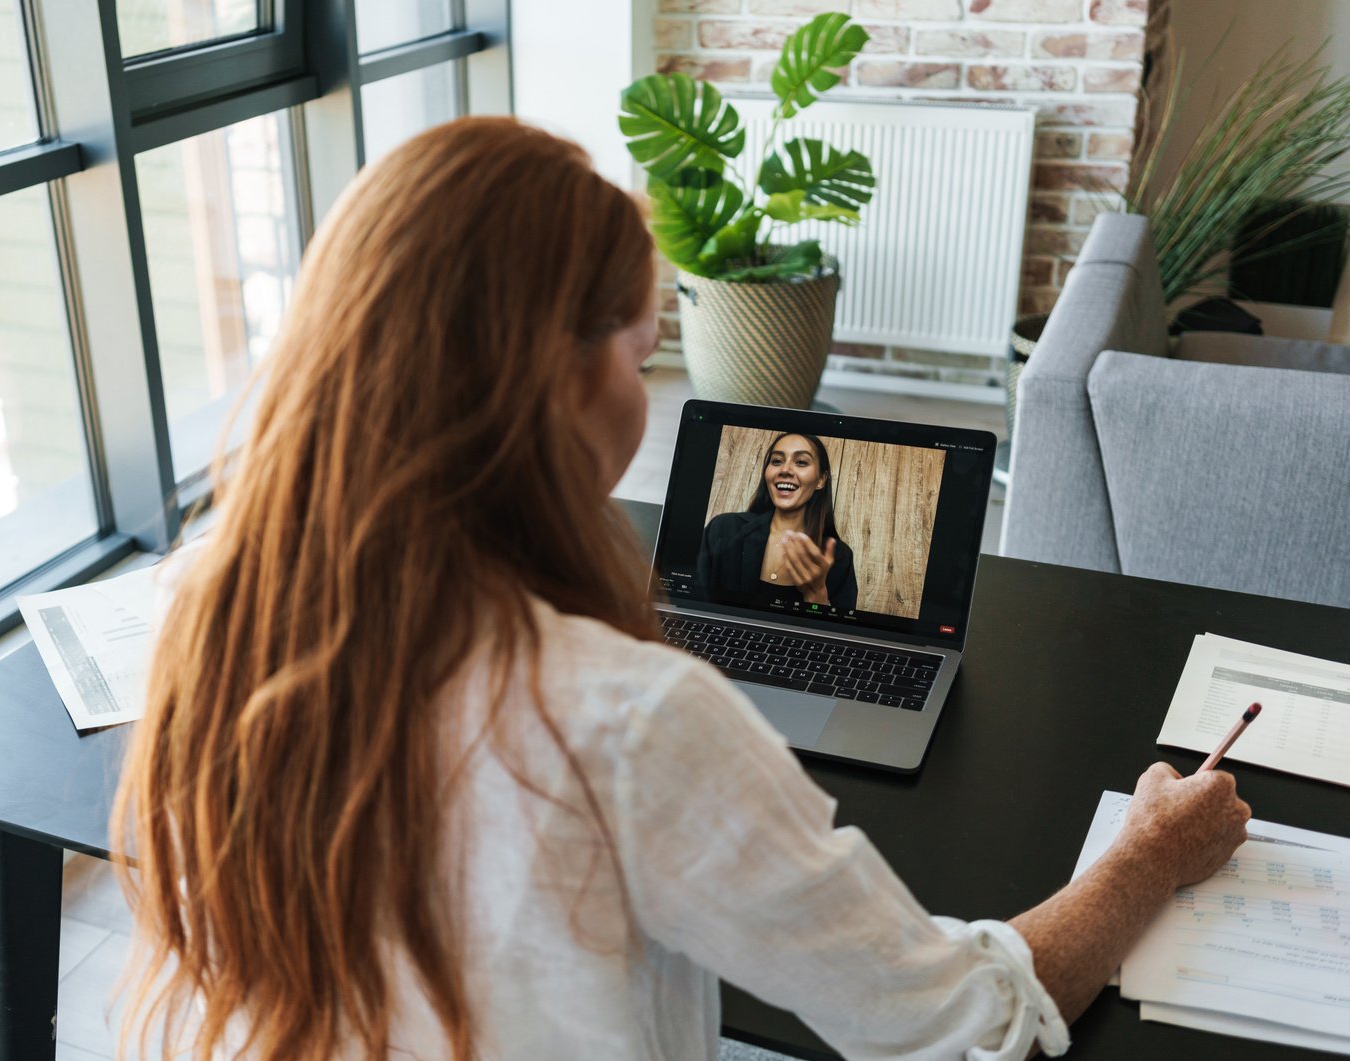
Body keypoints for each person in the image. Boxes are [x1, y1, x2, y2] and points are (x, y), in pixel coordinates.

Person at [111, 117, 1251, 1061]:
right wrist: (1148, 852)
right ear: (560, 379)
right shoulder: (631, 715)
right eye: (643, 335)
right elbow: (959, 1024)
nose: (653, 364)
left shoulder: (214, 608)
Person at [697, 432, 859, 612]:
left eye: (801, 462)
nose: (785, 470)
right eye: (776, 461)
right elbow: (692, 602)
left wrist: (817, 595)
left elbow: (835, 635)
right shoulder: (723, 529)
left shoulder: (840, 557)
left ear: (821, 480)